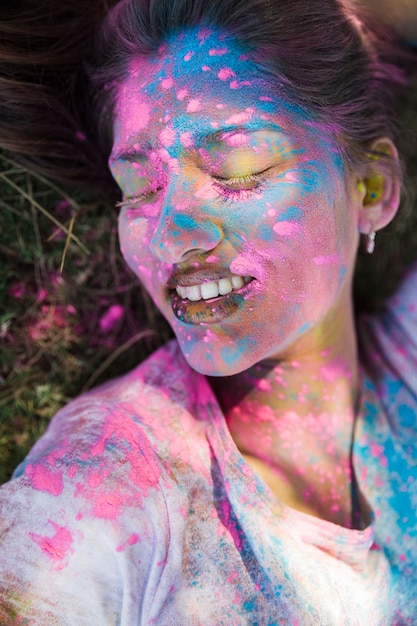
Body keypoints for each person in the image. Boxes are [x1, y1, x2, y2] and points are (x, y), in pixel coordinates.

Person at [0, 0, 417, 623]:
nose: (169, 234)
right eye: (139, 189)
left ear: (371, 188)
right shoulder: (100, 487)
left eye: (237, 170)